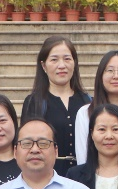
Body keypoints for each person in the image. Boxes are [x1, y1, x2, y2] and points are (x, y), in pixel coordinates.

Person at [20, 36, 90, 175]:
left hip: (83, 176)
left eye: (67, 59)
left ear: (75, 63)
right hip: (48, 175)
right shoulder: (34, 102)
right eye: (54, 60)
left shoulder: (88, 101)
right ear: (43, 66)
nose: (62, 65)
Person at [67, 102, 118, 189]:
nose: (109, 136)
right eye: (102, 129)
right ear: (92, 133)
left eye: (115, 129)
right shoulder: (74, 176)